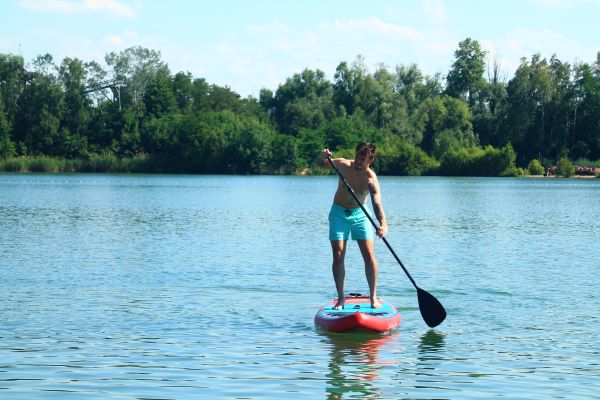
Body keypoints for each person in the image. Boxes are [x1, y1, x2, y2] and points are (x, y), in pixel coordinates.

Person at [319, 142, 388, 309]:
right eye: (357, 156)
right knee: (338, 254)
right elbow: (322, 165)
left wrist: (383, 224)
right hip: (338, 214)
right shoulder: (343, 165)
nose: (358, 161)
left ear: (370, 160)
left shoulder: (371, 179)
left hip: (360, 214)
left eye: (362, 159)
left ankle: (373, 298)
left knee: (369, 254)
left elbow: (377, 203)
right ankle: (341, 299)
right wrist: (322, 157)